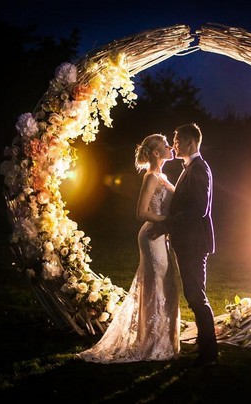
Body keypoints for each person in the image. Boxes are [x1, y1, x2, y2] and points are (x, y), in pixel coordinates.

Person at [76, 133, 180, 363]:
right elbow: (141, 213)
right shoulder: (151, 177)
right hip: (152, 235)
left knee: (166, 283)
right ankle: (150, 343)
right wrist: (167, 222)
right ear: (155, 153)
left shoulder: (162, 175)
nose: (171, 147)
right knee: (156, 285)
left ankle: (161, 339)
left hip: (161, 235)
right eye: (165, 145)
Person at [150, 123, 218, 368]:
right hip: (187, 241)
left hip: (194, 243)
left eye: (177, 140)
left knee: (195, 295)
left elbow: (198, 209)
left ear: (191, 142)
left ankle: (209, 353)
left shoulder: (199, 169)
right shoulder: (191, 167)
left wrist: (166, 224)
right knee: (194, 293)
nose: (174, 144)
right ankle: (204, 344)